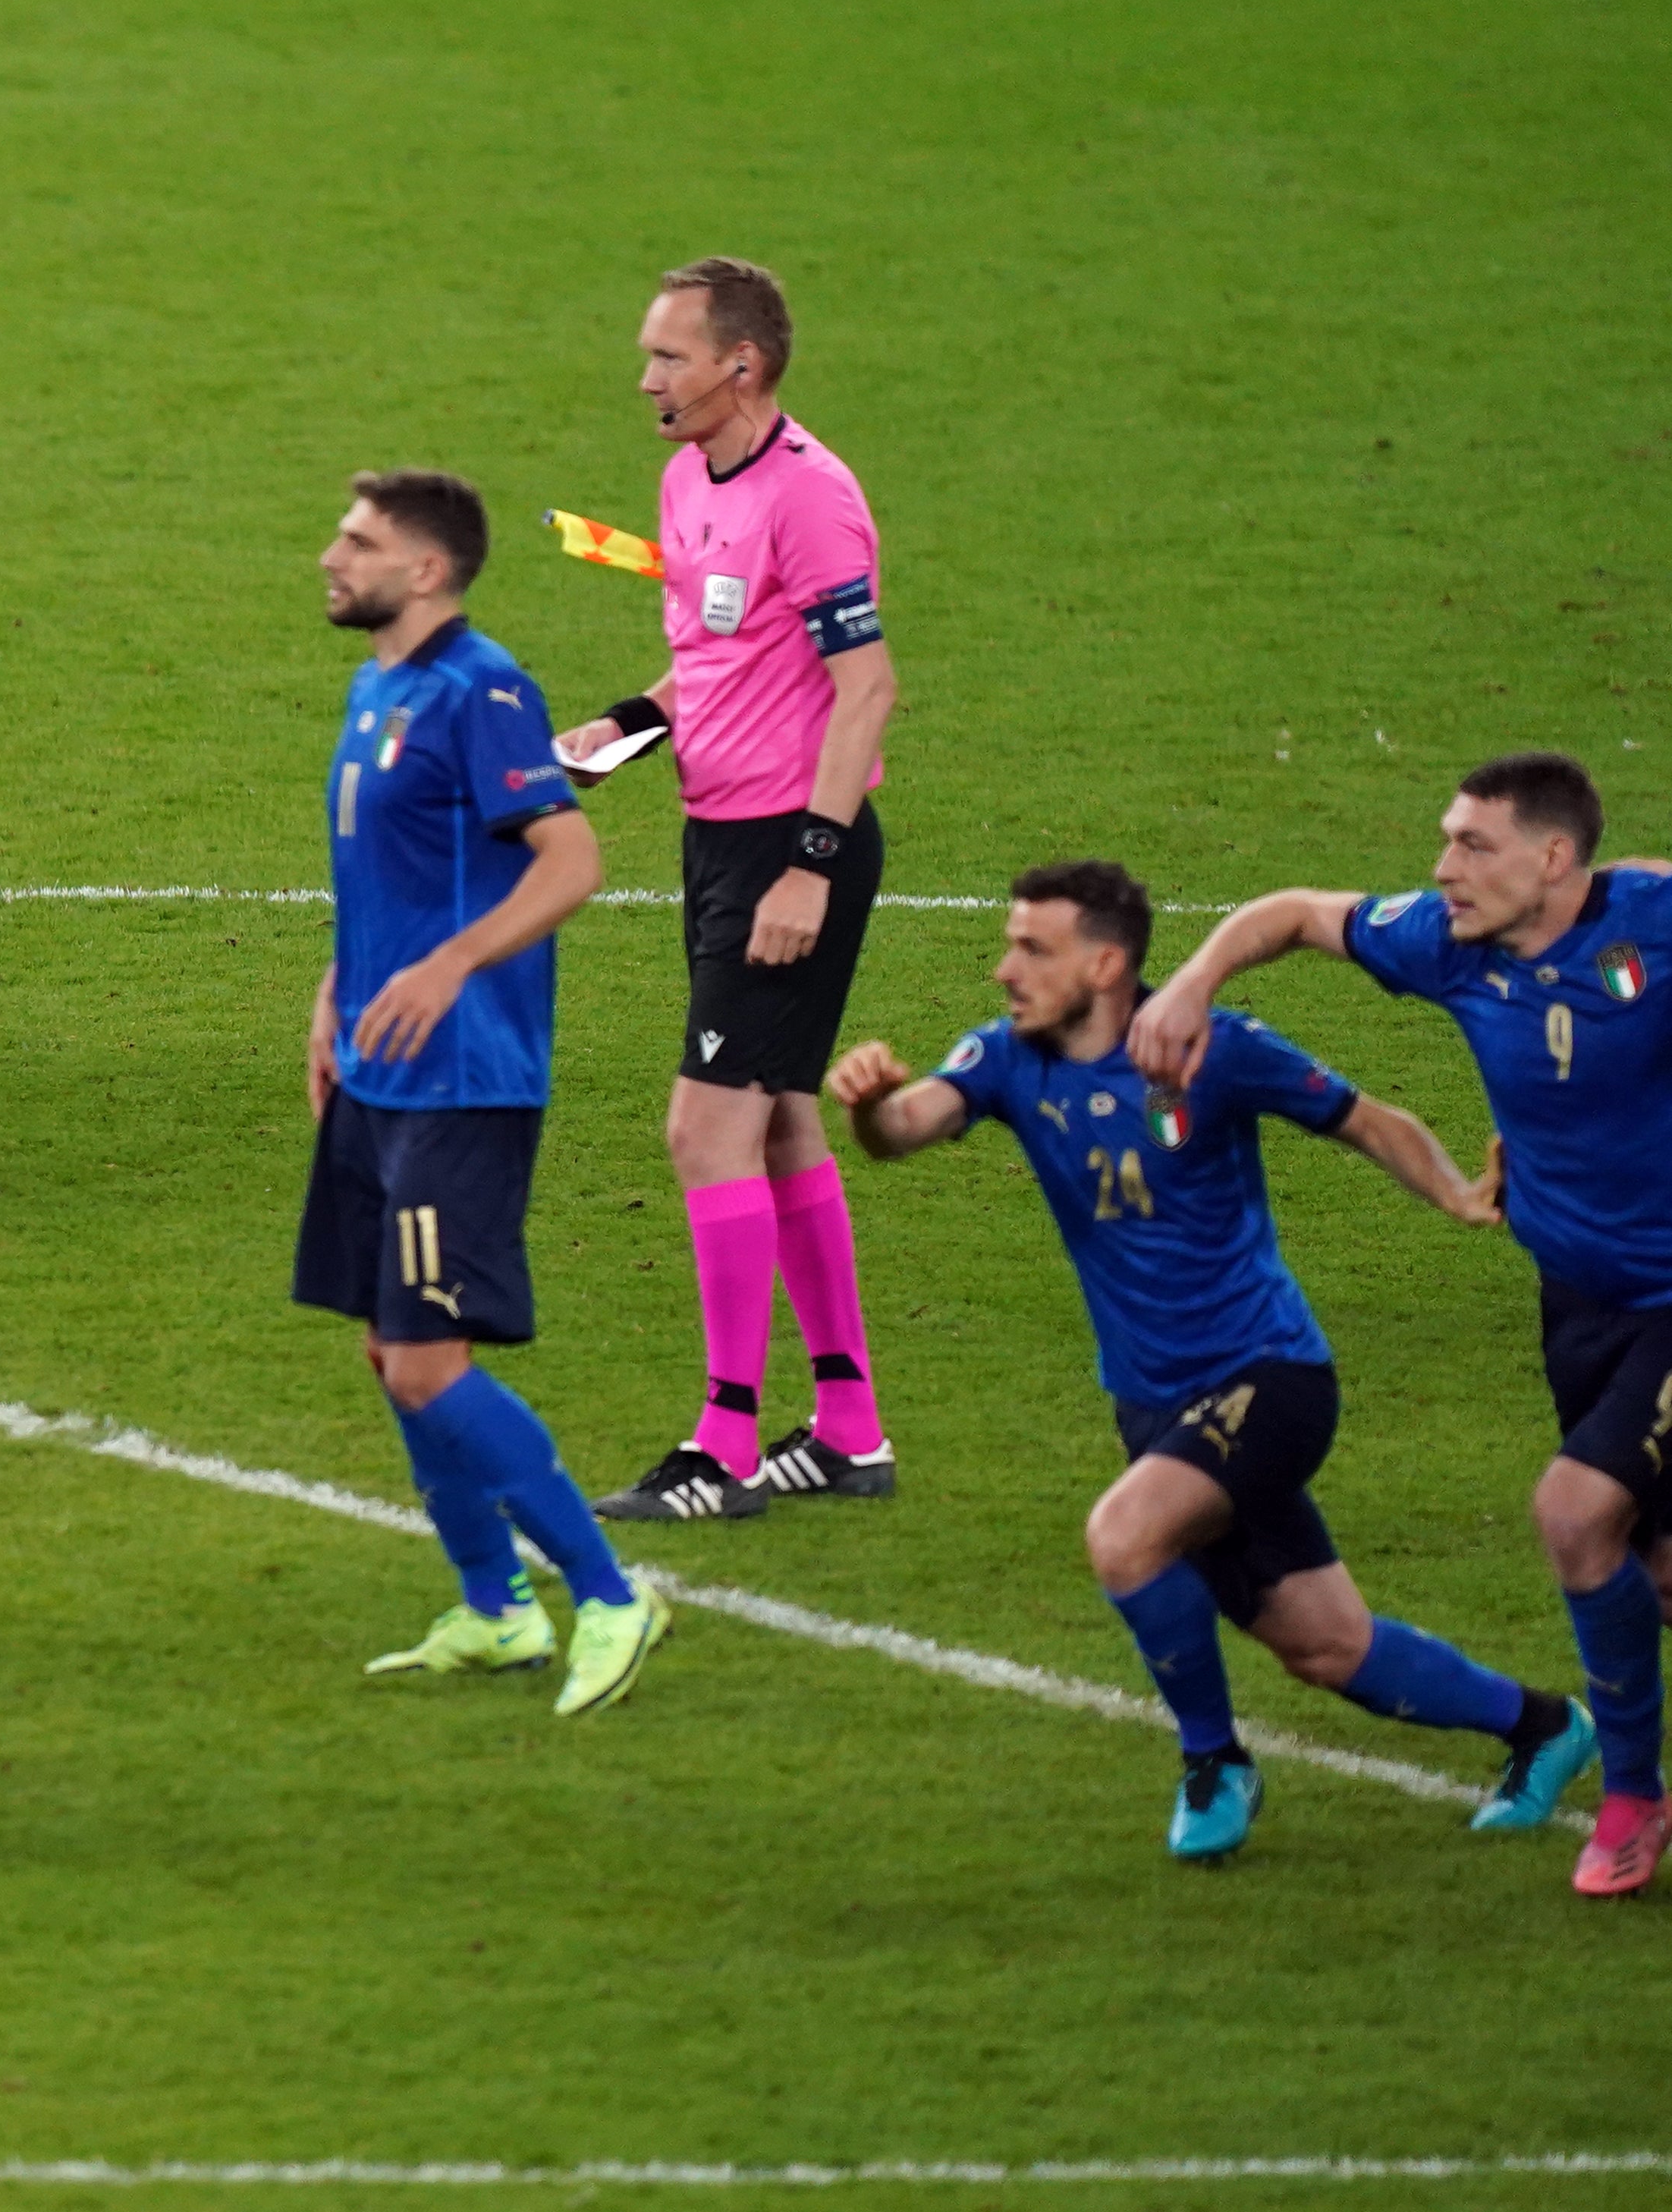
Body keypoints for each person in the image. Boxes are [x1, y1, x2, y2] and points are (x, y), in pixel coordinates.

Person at [837, 861, 1592, 1858]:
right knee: (1326, 1646)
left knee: (1123, 1537)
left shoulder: (1213, 1051)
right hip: (1152, 1406)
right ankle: (1543, 1727)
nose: (1003, 969)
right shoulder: (1005, 1059)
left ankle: (1212, 1761)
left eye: (1031, 949)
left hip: (1268, 1380)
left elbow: (1364, 1117)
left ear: (1104, 963)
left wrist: (1455, 1194)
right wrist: (866, 1103)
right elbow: (901, 1130)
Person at [1134, 755, 1672, 1897]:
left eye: (1473, 846)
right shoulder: (1444, 943)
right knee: (1650, 1568)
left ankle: (1630, 1797)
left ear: (1555, 859)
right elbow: (1287, 916)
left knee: (1574, 1516)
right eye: (1445, 840)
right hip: (1578, 1306)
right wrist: (1188, 984)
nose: (1441, 868)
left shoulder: (1653, 925)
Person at [300, 474, 663, 1716]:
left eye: (357, 543)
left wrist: (449, 965)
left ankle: (610, 1594)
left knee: (422, 1361)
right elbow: (390, 875)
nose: (327, 557)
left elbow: (572, 859)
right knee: (385, 1347)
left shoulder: (482, 688)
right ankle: (496, 1611)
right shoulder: (375, 685)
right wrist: (333, 996)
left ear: (429, 571)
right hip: (376, 1061)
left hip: (461, 1075)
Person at [555, 258, 904, 1521]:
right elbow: (705, 663)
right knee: (774, 1121)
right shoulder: (681, 478)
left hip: (785, 850)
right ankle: (848, 1429)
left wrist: (808, 865)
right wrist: (613, 729)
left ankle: (723, 1443)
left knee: (701, 1127)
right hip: (715, 839)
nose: (646, 378)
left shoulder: (810, 498)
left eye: (666, 357)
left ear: (739, 365)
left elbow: (865, 689)